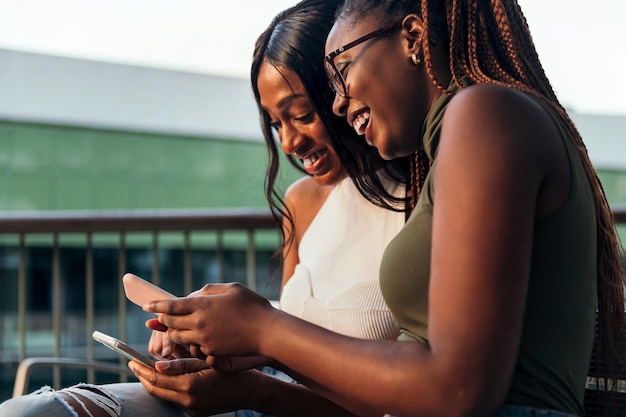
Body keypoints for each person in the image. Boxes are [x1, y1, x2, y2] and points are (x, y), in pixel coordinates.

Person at [140, 1, 626, 417]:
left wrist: (264, 328)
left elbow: (457, 390)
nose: (336, 103)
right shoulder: (459, 139)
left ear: (412, 37)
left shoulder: (484, 114)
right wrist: (250, 364)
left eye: (341, 70)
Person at [0, 1, 409, 416]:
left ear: (344, 88)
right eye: (274, 124)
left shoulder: (427, 207)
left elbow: (413, 396)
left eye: (301, 114)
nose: (288, 143)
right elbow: (286, 350)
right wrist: (215, 342)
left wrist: (257, 376)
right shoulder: (303, 201)